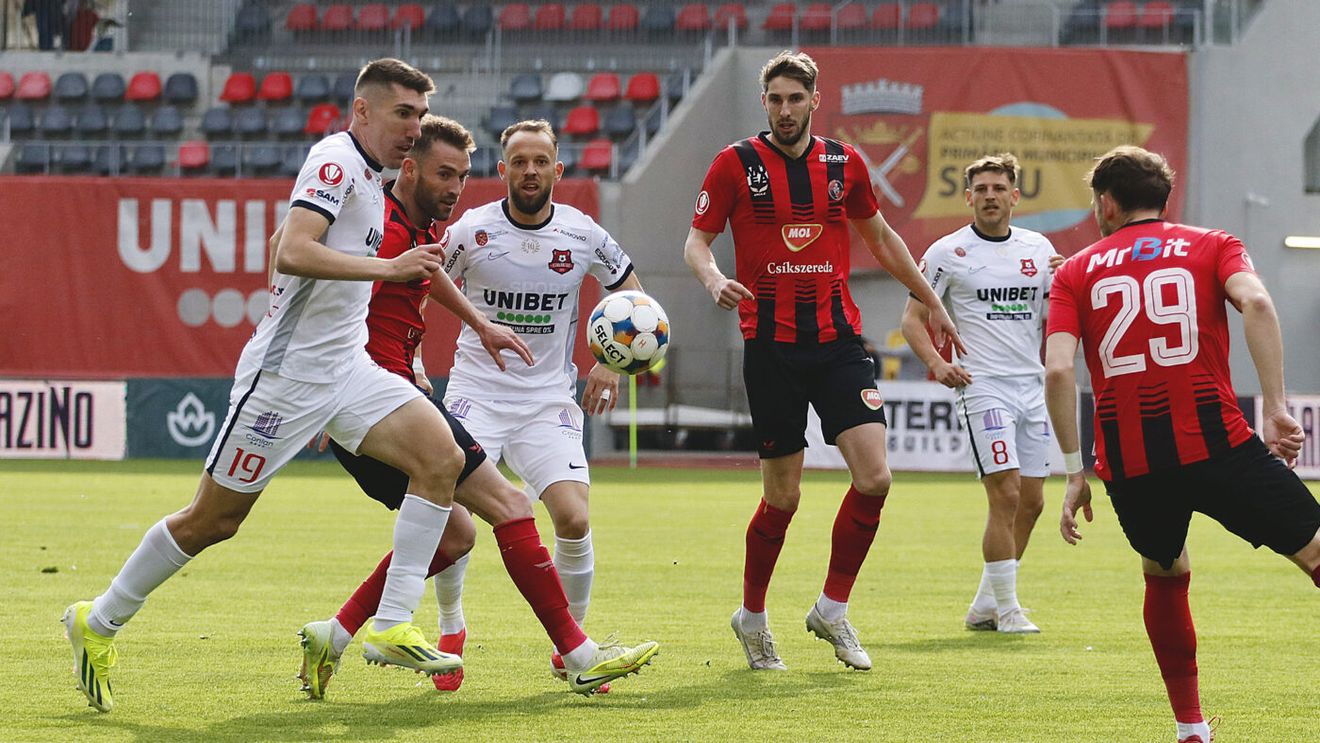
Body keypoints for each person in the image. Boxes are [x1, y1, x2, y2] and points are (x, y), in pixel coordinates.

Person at [62, 59, 473, 713]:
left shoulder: (366, 175)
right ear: (362, 111)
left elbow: (286, 239)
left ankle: (393, 623)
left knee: (442, 457)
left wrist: (309, 291)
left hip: (346, 367)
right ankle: (99, 618)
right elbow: (292, 249)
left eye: (421, 116)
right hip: (283, 380)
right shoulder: (337, 161)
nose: (414, 128)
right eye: (404, 114)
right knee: (213, 519)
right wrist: (384, 267)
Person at [299, 117, 657, 697]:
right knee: (482, 516)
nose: (531, 171)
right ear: (505, 169)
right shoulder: (447, 231)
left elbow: (425, 274)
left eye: (541, 161)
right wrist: (344, 386)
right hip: (461, 395)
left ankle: (339, 633)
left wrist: (605, 361)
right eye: (519, 161)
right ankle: (498, 640)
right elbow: (375, 288)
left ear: (558, 170)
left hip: (541, 401)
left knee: (523, 524)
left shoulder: (575, 232)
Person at [683, 51, 963, 672]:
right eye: (775, 99)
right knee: (783, 499)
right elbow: (696, 241)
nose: (785, 110)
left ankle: (831, 608)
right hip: (772, 347)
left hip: (838, 341)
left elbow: (882, 238)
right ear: (765, 103)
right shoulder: (735, 163)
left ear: (814, 99)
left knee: (876, 478)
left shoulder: (844, 163)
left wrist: (928, 298)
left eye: (795, 99)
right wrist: (711, 280)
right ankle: (752, 617)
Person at [1046, 145, 1320, 743]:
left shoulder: (1074, 270)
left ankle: (1191, 727)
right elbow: (1258, 302)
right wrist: (1274, 408)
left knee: (1165, 572)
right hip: (1218, 442)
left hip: (1131, 461)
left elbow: (1059, 371)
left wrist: (1073, 471)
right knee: (1316, 556)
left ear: (1109, 203)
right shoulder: (1211, 245)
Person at [900, 153, 1058, 634]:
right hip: (982, 386)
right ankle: (1009, 610)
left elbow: (1060, 313)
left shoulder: (1039, 249)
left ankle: (985, 605)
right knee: (1005, 493)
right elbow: (911, 320)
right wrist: (936, 363)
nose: (990, 196)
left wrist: (1072, 274)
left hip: (1032, 385)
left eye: (998, 188)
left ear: (1015, 196)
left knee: (1032, 502)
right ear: (968, 197)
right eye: (981, 189)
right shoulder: (947, 253)